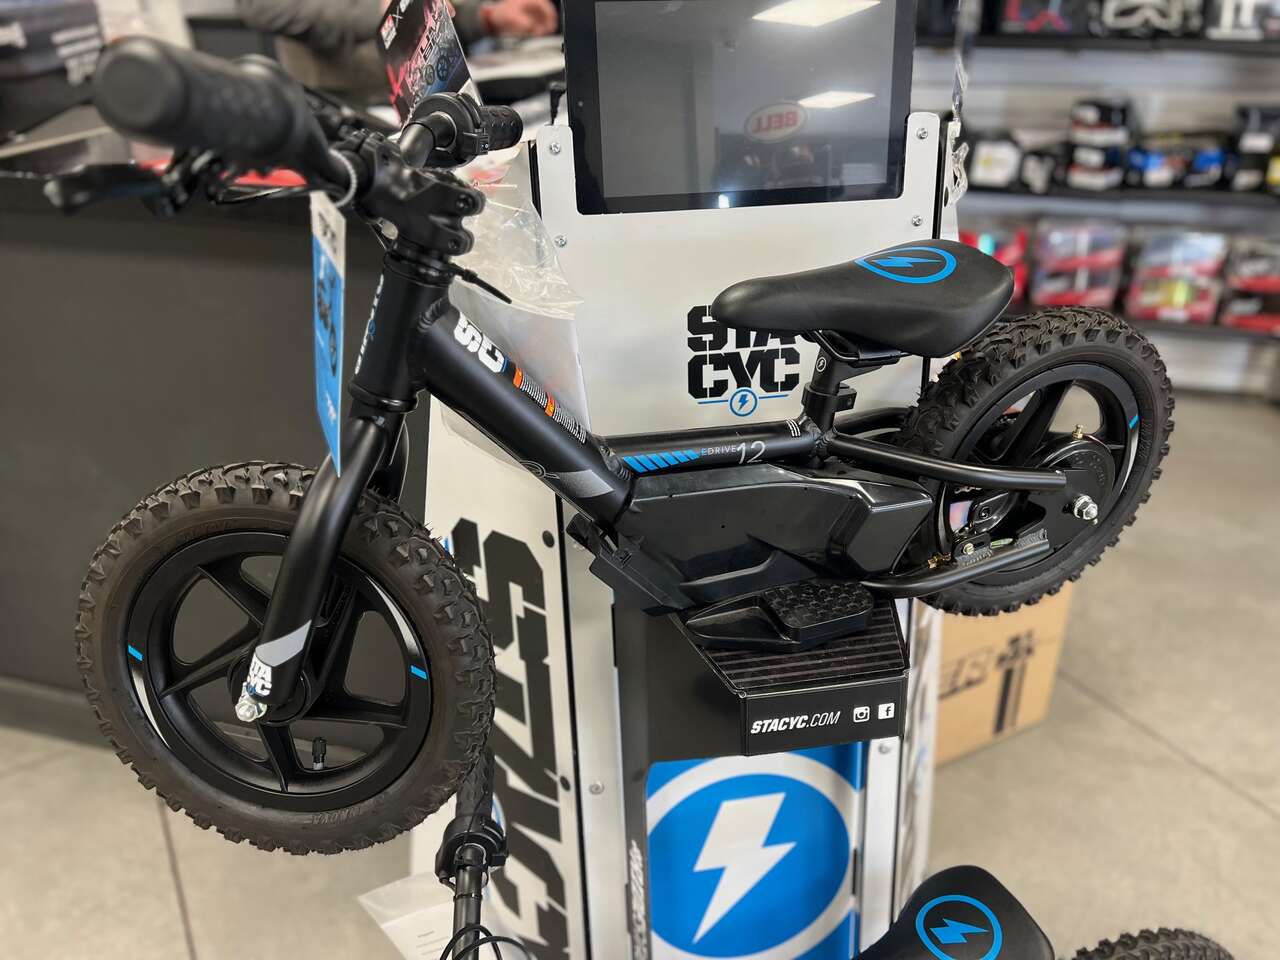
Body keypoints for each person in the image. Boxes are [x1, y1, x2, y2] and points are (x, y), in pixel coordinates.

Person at [237, 0, 557, 104]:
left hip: (435, 88)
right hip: (343, 102)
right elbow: (263, 7)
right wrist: (381, 13)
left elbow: (430, 6)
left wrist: (488, 18)